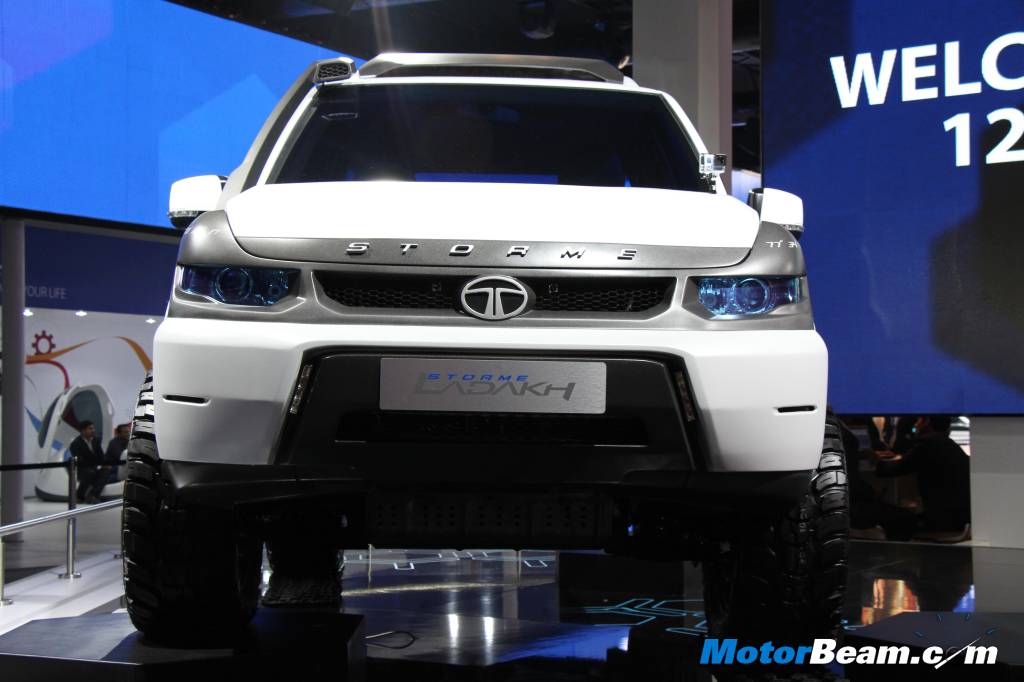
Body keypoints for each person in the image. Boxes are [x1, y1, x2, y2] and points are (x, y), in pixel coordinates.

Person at [876, 416, 971, 533]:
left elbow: (894, 469)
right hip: (958, 515)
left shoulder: (928, 445)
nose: (916, 424)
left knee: (893, 519)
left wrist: (875, 461)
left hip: (942, 519)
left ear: (927, 423)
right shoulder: (948, 444)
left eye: (919, 420)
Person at [70, 421, 105, 503]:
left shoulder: (96, 440)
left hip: (95, 467)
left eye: (93, 428)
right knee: (90, 473)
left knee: (106, 471)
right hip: (81, 469)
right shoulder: (75, 444)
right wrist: (94, 465)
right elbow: (80, 460)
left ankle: (93, 495)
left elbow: (101, 455)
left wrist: (104, 464)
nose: (93, 430)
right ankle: (79, 496)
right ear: (83, 431)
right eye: (90, 428)